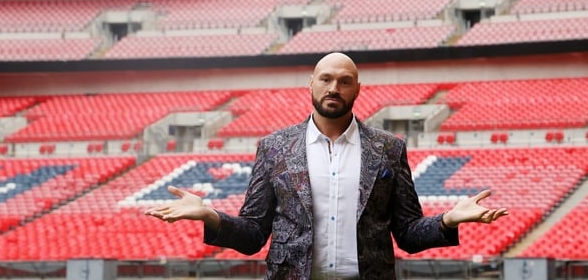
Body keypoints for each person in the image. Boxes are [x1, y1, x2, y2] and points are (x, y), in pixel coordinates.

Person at [145, 52, 508, 280]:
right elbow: (254, 234)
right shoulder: (274, 148)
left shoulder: (388, 149)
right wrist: (210, 216)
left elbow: (408, 235)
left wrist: (446, 220)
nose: (334, 87)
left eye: (344, 81)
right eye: (326, 79)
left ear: (357, 89)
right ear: (312, 83)